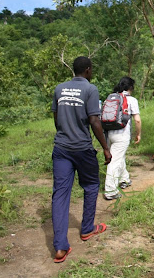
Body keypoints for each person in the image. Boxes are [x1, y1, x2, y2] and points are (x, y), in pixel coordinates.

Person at [50, 56, 112, 263]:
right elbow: (94, 120)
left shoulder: (59, 88)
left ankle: (60, 247)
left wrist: (65, 133)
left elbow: (57, 118)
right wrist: (105, 147)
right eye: (91, 69)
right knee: (92, 185)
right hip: (82, 149)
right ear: (87, 70)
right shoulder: (90, 89)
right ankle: (86, 229)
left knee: (60, 194)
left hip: (61, 148)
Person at [104, 76, 141, 200]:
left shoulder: (112, 97)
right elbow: (137, 120)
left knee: (120, 156)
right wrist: (138, 134)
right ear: (130, 87)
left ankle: (124, 179)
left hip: (109, 133)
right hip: (122, 134)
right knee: (115, 161)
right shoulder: (131, 100)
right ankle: (110, 190)